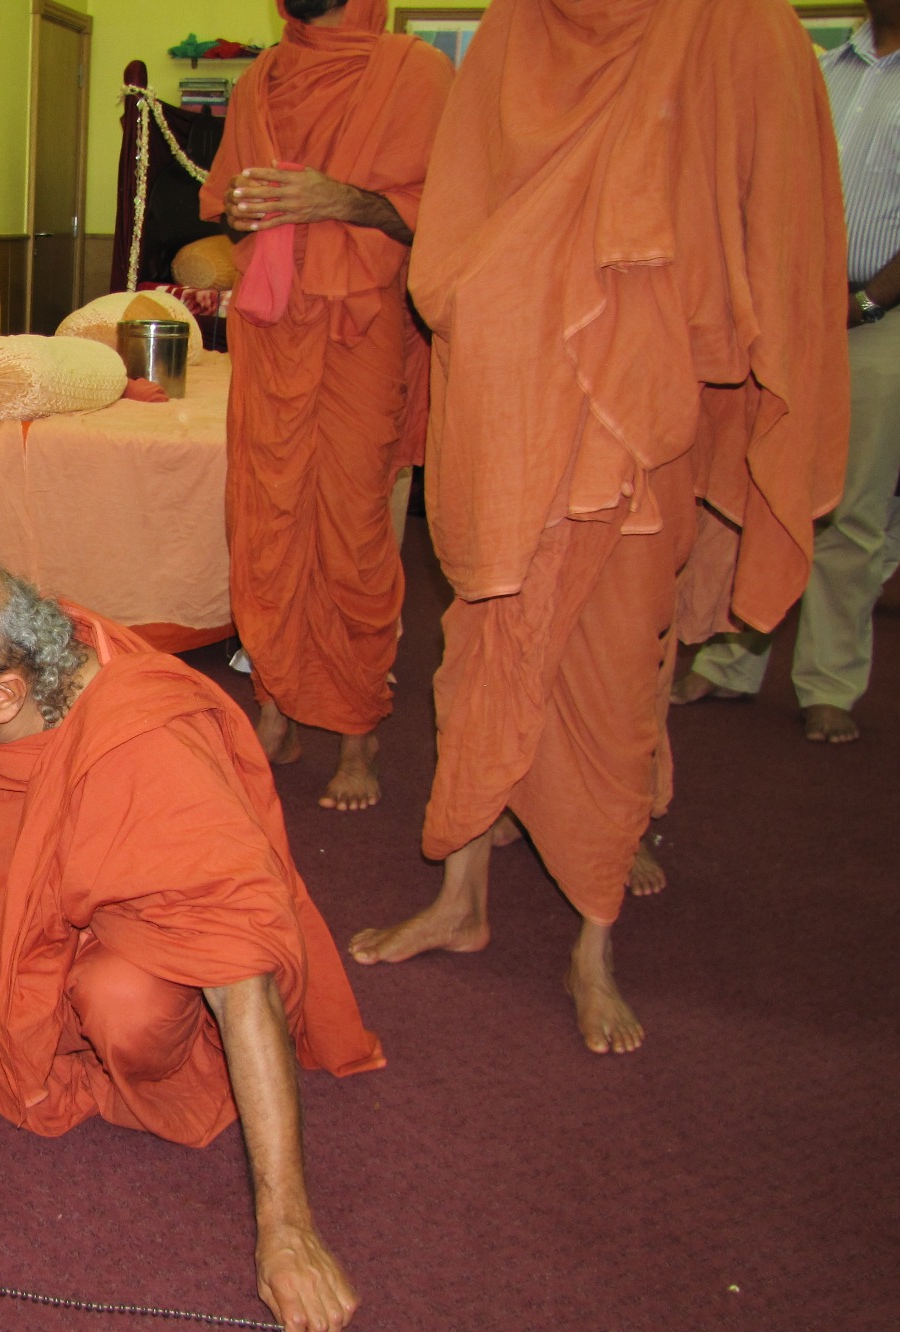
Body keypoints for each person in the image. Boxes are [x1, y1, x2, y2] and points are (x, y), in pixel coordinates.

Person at [348, 0, 848, 1054]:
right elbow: (456, 225)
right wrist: (513, 293)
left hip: (642, 403)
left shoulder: (733, 23)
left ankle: (593, 943)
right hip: (513, 393)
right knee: (486, 641)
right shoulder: (513, 29)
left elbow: (783, 208)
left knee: (616, 668)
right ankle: (461, 899)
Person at [0, 552, 383, 1332]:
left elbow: (239, 983)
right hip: (26, 915)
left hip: (127, 930)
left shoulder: (146, 747)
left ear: (6, 696)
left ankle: (113, 1064)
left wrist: (288, 1230)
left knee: (124, 1005)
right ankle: (4, 1034)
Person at [201, 0, 451, 812]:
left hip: (360, 335)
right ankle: (275, 706)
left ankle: (357, 731)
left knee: (352, 531)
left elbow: (448, 211)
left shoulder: (417, 74)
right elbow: (228, 204)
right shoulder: (261, 79)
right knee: (264, 522)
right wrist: (245, 212)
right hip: (270, 335)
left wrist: (337, 200)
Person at [673, 0, 900, 745]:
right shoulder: (816, 65)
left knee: (847, 508)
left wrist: (864, 301)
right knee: (754, 482)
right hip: (780, 313)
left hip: (873, 319)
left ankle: (828, 684)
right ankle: (731, 660)